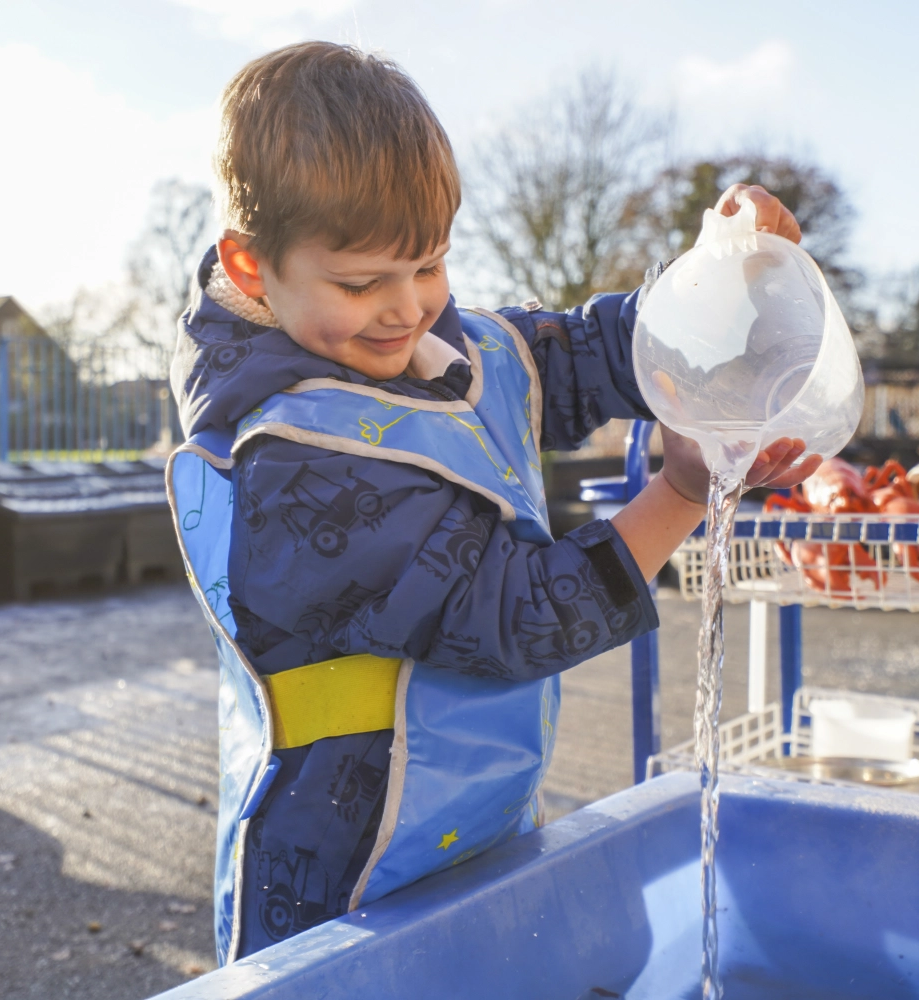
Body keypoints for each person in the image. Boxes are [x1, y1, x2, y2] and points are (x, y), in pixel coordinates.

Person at [167, 41, 819, 963]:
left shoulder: (439, 346)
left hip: (473, 831)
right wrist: (684, 489)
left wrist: (720, 278)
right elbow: (520, 615)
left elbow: (587, 350)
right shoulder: (288, 461)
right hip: (346, 883)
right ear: (248, 266)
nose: (408, 309)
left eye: (428, 264)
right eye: (363, 283)